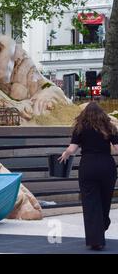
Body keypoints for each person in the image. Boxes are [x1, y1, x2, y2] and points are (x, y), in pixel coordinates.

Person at [60, 102, 118, 251]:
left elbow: (72, 148)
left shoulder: (81, 127)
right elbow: (117, 147)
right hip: (107, 166)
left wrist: (65, 155)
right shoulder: (109, 126)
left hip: (88, 167)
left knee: (90, 202)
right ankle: (103, 223)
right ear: (102, 114)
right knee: (105, 200)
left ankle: (95, 239)